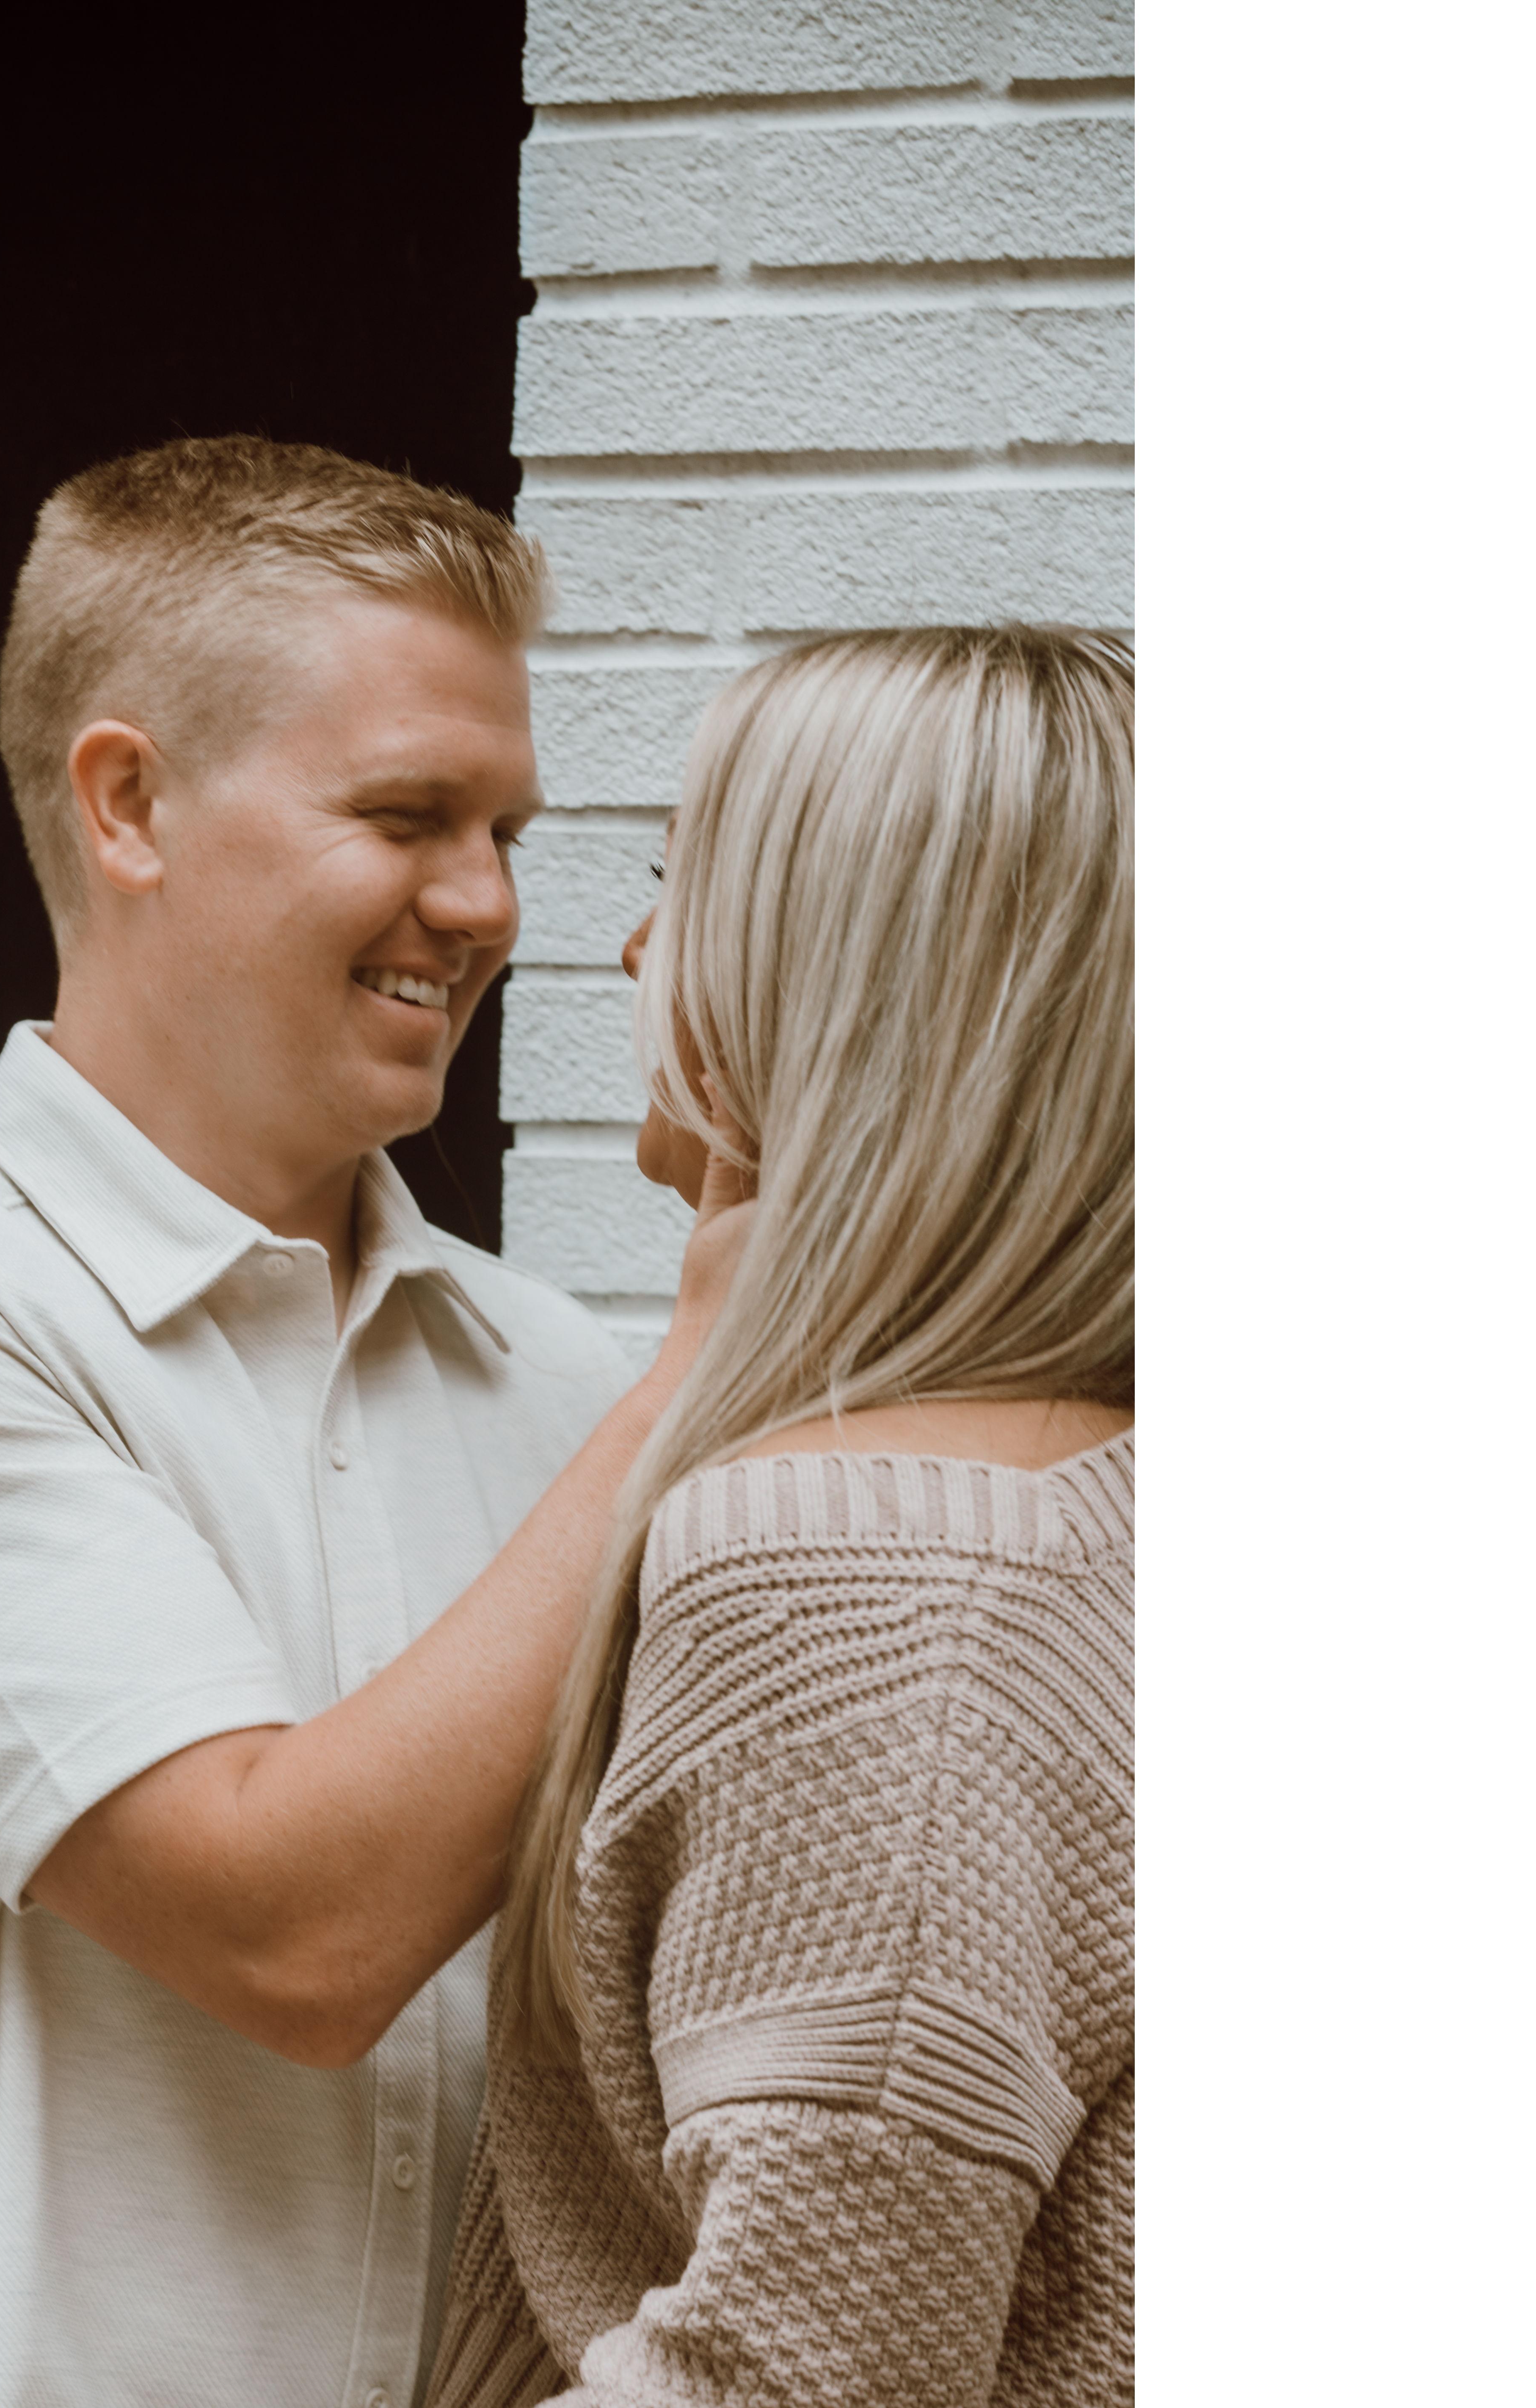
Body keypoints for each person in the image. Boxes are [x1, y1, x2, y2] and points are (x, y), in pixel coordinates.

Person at [0, 437, 745, 2406]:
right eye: (407, 815)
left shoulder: (560, 1383)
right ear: (130, 804)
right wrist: (715, 1365)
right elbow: (294, 1935)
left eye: (507, 828)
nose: (485, 902)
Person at [429, 626, 1135, 2408]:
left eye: (686, 883)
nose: (632, 948)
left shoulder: (864, 1581)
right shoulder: (1101, 1494)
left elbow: (790, 2373)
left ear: (840, 975)